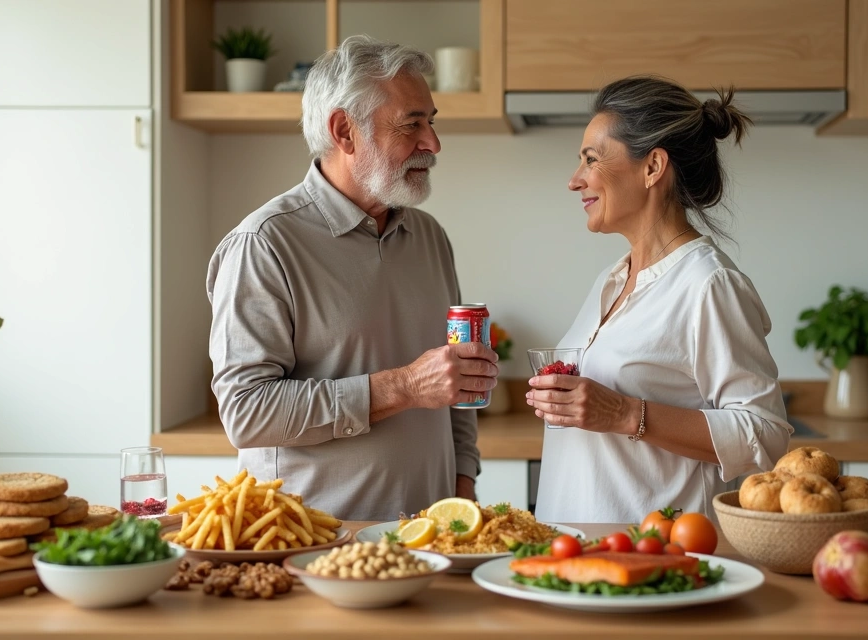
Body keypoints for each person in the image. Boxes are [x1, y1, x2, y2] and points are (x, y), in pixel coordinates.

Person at [206, 36, 499, 521]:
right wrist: (403, 386)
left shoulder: (428, 236)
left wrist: (462, 485)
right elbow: (246, 411)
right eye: (412, 124)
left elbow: (454, 384)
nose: (433, 143)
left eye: (431, 122)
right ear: (345, 131)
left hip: (430, 539)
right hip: (313, 544)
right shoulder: (264, 243)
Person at [530, 76, 793, 523]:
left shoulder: (709, 283)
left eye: (591, 160)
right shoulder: (611, 280)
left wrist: (624, 413)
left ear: (653, 167)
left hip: (658, 558)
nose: (575, 181)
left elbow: (764, 436)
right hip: (574, 553)